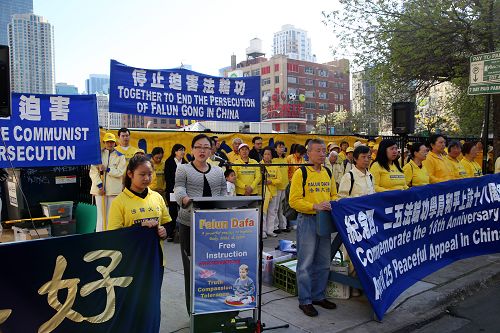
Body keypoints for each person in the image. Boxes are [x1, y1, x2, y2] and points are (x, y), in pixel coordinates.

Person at [174, 134, 227, 314]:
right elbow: (179, 189)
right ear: (192, 150)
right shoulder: (183, 169)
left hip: (212, 226)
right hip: (189, 223)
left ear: (211, 150)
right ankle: (193, 311)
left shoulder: (218, 171)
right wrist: (185, 199)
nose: (202, 150)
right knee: (191, 268)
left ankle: (210, 305)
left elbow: (222, 194)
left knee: (212, 267)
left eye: (206, 147)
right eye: (198, 147)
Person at [289, 139, 338, 317]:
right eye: (318, 150)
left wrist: (333, 202)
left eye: (324, 150)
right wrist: (314, 206)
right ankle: (305, 300)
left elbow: (334, 193)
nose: (322, 153)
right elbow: (293, 201)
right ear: (308, 153)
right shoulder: (300, 173)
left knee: (324, 262)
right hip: (308, 219)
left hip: (325, 220)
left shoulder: (327, 171)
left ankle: (318, 296)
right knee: (306, 262)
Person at [107, 154, 170, 275]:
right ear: (130, 174)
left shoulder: (157, 197)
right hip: (131, 263)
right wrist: (139, 227)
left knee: (154, 294)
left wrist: (165, 231)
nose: (147, 178)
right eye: (142, 174)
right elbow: (114, 236)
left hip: (156, 261)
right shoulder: (119, 202)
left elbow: (167, 222)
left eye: (150, 174)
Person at [89, 133, 126, 232]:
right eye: (108, 142)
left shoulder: (120, 156)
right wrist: (100, 186)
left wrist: (108, 169)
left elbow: (120, 172)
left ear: (115, 143)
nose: (110, 144)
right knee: (100, 216)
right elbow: (93, 172)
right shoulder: (98, 155)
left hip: (114, 191)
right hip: (99, 190)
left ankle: (110, 237)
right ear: (104, 142)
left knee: (111, 215)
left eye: (112, 142)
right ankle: (100, 237)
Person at [164, 144, 187, 242]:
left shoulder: (186, 163)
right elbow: (167, 177)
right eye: (180, 150)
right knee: (172, 212)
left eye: (183, 150)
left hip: (183, 192)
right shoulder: (169, 162)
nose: (182, 152)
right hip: (172, 191)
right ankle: (171, 233)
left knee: (183, 212)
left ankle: (183, 234)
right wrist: (173, 188)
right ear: (175, 151)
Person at [261, 146, 282, 238]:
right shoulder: (259, 165)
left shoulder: (276, 166)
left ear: (271, 156)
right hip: (264, 192)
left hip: (274, 192)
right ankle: (263, 231)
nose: (267, 156)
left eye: (269, 154)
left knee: (272, 212)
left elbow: (280, 179)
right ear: (262, 155)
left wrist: (271, 182)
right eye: (265, 154)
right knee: (263, 212)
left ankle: (270, 230)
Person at [273, 141, 290, 232]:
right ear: (275, 149)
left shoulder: (285, 159)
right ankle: (275, 227)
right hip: (276, 187)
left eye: (283, 147)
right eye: (280, 147)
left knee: (283, 207)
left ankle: (283, 226)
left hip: (285, 186)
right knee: (275, 208)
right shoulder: (273, 160)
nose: (282, 149)